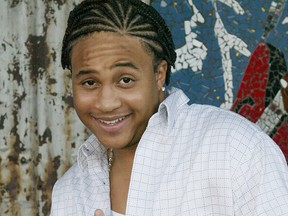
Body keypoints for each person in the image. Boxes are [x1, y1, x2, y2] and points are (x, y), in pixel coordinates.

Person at [51, 0, 288, 215]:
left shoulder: (234, 148)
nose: (106, 103)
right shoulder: (69, 192)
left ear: (159, 74)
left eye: (125, 80)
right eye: (89, 82)